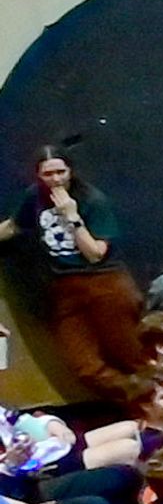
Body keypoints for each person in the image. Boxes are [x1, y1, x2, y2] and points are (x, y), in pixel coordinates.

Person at [11, 150, 145, 401]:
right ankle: (140, 400)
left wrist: (72, 216)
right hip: (64, 287)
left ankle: (162, 406)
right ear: (38, 176)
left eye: (60, 172)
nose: (55, 180)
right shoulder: (34, 197)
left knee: (130, 354)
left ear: (71, 172)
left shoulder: (92, 200)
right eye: (48, 174)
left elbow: (95, 253)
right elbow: (14, 225)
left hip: (105, 283)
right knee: (84, 366)